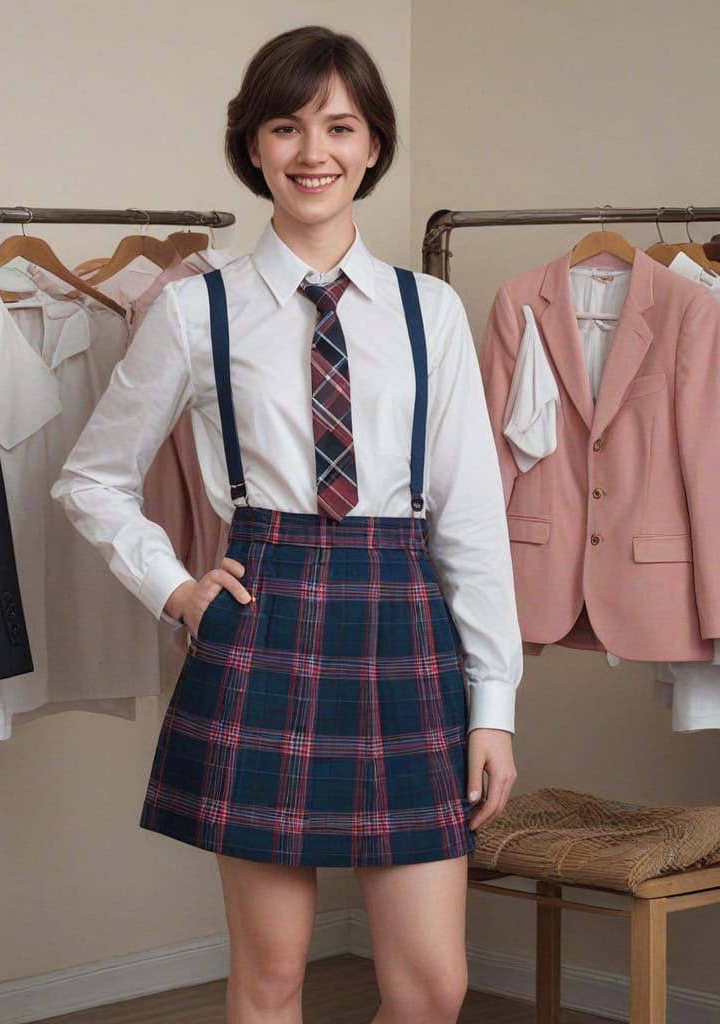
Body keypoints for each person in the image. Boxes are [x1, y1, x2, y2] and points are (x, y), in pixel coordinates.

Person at [52, 24, 523, 1024]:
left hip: (404, 624)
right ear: (253, 146)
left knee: (433, 987)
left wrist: (493, 705)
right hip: (263, 623)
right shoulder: (195, 310)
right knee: (271, 978)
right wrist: (177, 590)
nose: (314, 151)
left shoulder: (430, 310)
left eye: (339, 127)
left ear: (373, 145)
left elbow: (471, 524)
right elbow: (91, 479)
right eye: (287, 126)